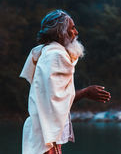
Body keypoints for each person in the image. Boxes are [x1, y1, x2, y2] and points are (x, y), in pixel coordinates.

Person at [20, 9, 111, 154]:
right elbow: (54, 100)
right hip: (45, 135)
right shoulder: (55, 56)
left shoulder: (48, 52)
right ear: (60, 33)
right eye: (72, 28)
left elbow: (55, 99)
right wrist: (86, 92)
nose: (76, 32)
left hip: (44, 131)